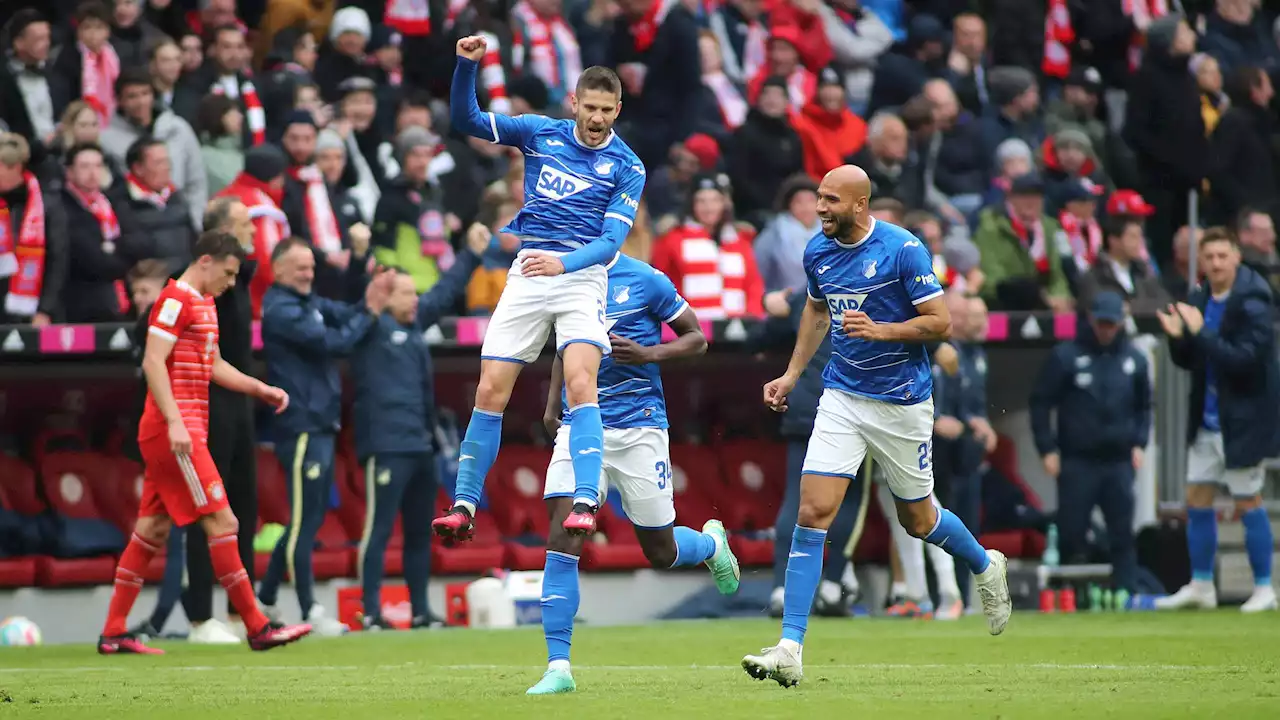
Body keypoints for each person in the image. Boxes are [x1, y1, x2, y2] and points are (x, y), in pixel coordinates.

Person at [741, 165, 1011, 688]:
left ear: (860, 205)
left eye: (830, 200)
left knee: (918, 520)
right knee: (813, 511)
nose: (820, 208)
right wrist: (793, 374)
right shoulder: (818, 251)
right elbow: (816, 312)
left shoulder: (903, 250)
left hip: (902, 403)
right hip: (841, 396)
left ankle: (984, 563)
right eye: (818, 197)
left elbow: (940, 322)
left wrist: (883, 330)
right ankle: (790, 647)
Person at [435, 35, 646, 540]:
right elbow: (466, 121)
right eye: (589, 107)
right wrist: (466, 66)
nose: (596, 119)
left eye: (606, 110)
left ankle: (585, 498)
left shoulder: (627, 165)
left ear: (618, 108)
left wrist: (565, 264)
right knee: (490, 389)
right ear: (574, 101)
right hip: (530, 269)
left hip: (580, 277)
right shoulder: (538, 133)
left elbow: (613, 239)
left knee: (580, 383)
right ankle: (464, 505)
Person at [529, 252, 736, 696]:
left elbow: (696, 339)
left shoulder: (646, 279)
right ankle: (558, 666)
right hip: (581, 425)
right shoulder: (563, 276)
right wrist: (552, 405)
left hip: (640, 428)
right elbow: (564, 348)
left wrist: (649, 354)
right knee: (564, 535)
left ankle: (709, 544)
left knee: (659, 551)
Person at [97, 230, 312, 654]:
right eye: (228, 273)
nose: (231, 283)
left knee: (152, 529)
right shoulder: (175, 298)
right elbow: (152, 360)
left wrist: (259, 388)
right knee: (223, 522)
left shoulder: (205, 304)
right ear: (206, 261)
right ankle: (256, 625)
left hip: (182, 427)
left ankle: (113, 631)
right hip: (176, 431)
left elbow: (210, 364)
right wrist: (176, 422)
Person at [351, 226, 487, 630]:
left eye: (413, 294)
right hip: (386, 445)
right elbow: (358, 291)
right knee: (377, 531)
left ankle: (420, 610)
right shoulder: (370, 327)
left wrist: (471, 255)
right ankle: (371, 611)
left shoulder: (412, 326)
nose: (415, 300)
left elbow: (444, 293)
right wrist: (362, 258)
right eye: (406, 294)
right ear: (384, 298)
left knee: (418, 532)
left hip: (420, 445)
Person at [257, 237, 387, 632]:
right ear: (277, 269)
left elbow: (346, 310)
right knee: (302, 521)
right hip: (299, 426)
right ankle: (310, 609)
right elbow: (340, 340)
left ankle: (263, 599)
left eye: (311, 267)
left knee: (308, 518)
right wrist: (372, 311)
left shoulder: (308, 302)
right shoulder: (280, 310)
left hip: (320, 423)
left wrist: (368, 293)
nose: (308, 273)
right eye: (300, 267)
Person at [1154, 228, 1280, 613]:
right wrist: (1179, 339)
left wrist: (1200, 333)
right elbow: (1193, 360)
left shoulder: (1254, 299)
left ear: (1236, 257)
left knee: (1247, 499)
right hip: (1207, 418)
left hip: (1243, 420)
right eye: (1209, 257)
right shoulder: (1200, 296)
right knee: (1197, 498)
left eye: (1223, 256)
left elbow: (1243, 360)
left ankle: (1264, 587)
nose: (1216, 264)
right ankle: (1202, 585)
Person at [1029, 291, 1151, 595]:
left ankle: (1127, 595)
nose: (1106, 330)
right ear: (1091, 320)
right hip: (1077, 459)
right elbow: (1041, 402)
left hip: (1119, 459)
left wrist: (1140, 443)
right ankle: (1073, 595)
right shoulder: (1066, 356)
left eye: (1112, 324)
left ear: (1121, 323)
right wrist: (1047, 448)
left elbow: (1145, 406)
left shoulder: (1134, 359)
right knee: (1072, 530)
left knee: (1122, 532)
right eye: (1101, 323)